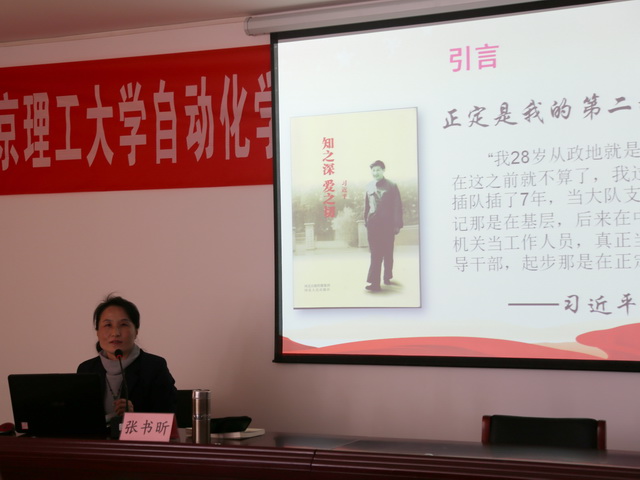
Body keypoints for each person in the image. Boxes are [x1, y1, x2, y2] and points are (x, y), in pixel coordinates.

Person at [77, 294, 177, 423]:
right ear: (97, 332)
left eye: (123, 324)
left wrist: (135, 416)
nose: (115, 333)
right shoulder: (86, 369)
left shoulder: (154, 367)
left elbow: (168, 419)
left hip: (139, 436)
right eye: (108, 325)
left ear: (136, 331)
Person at [364, 160, 403, 291]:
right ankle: (375, 283)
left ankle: (387, 276)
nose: (375, 173)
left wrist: (397, 225)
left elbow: (397, 206)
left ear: (383, 170)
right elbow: (367, 206)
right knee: (375, 254)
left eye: (378, 170)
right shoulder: (369, 186)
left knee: (387, 252)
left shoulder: (392, 186)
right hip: (373, 225)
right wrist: (366, 221)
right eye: (373, 170)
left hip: (387, 225)